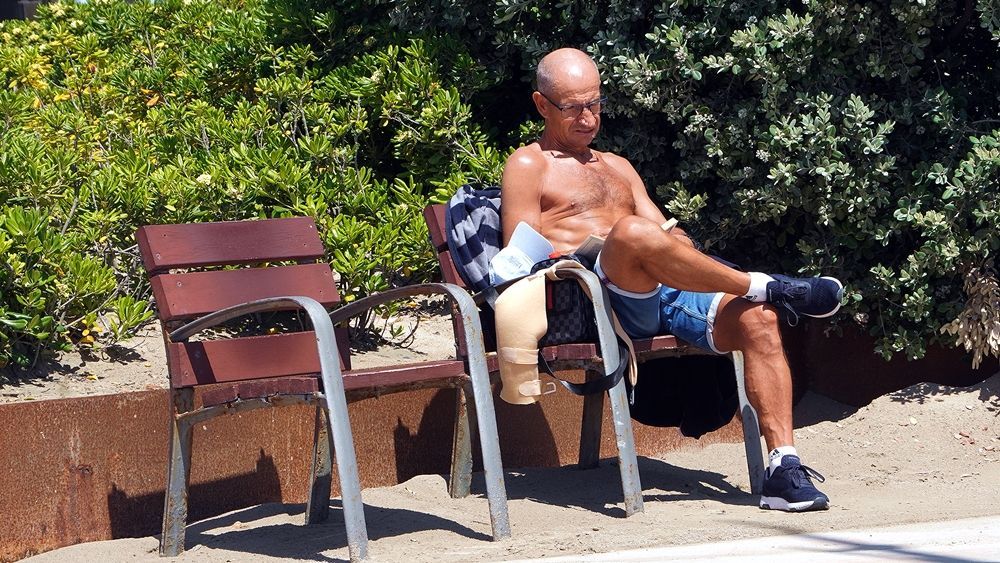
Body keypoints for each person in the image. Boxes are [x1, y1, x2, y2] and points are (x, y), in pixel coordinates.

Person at [500, 47, 841, 512]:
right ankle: (768, 284)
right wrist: (600, 247)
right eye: (573, 107)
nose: (588, 118)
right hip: (601, 299)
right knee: (630, 232)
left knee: (758, 319)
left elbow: (664, 232)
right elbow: (519, 255)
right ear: (542, 105)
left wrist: (673, 241)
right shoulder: (529, 164)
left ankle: (783, 469)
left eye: (595, 103)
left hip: (665, 288)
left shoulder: (618, 166)